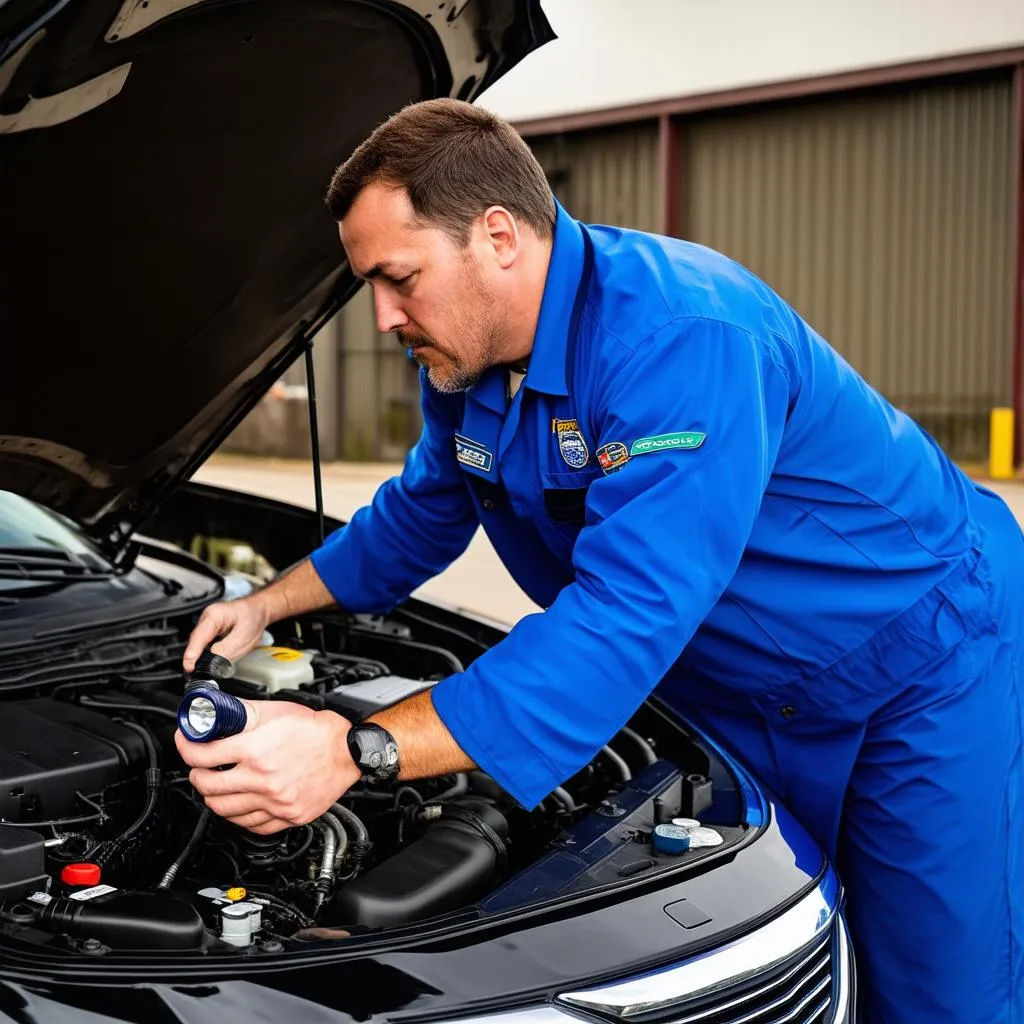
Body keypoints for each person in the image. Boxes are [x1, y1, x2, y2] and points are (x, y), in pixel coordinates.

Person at [176, 98, 1023, 1022]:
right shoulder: (467, 368)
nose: (382, 316)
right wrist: (267, 604)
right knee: (777, 938)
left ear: (497, 236)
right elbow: (415, 519)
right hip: (731, 679)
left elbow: (625, 615)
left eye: (399, 277)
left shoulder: (678, 337)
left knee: (937, 980)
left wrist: (357, 749)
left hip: (916, 655)